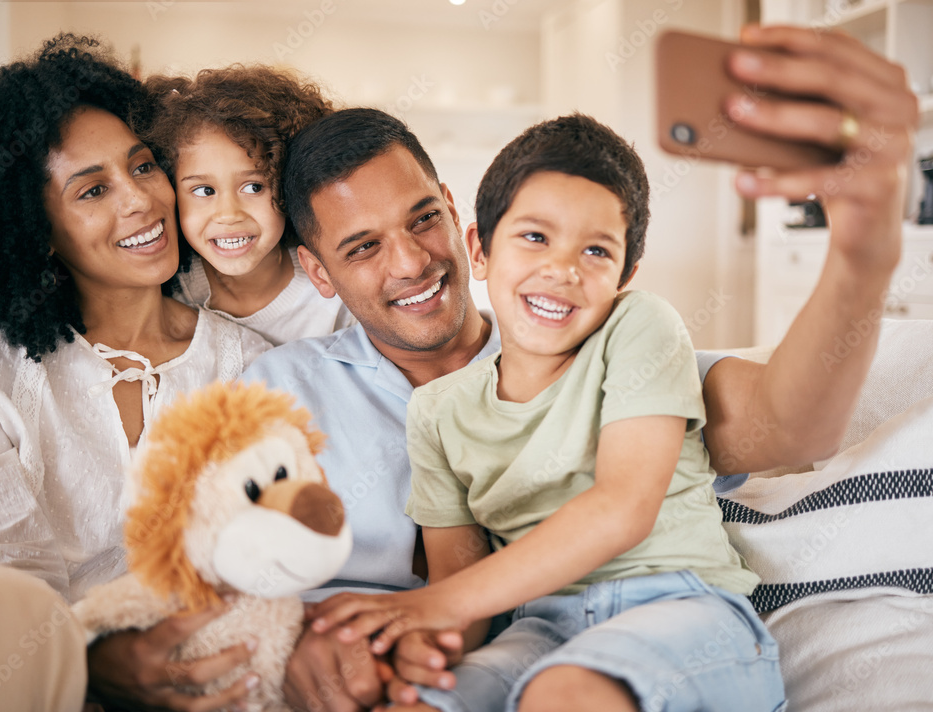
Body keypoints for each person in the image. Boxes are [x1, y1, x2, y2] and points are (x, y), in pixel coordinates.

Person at [238, 25, 917, 712]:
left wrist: (861, 258)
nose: (412, 262)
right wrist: (392, 647)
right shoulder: (284, 395)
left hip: (663, 621)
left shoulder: (610, 329)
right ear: (318, 272)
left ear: (453, 214)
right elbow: (207, 569)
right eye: (363, 248)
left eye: (422, 220)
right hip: (526, 632)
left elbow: (785, 426)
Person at [305, 112, 784, 712]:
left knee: (561, 694)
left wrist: (427, 607)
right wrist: (416, 648)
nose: (561, 270)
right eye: (535, 237)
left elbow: (623, 509)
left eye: (594, 250)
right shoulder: (433, 412)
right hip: (543, 626)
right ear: (485, 248)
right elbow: (459, 582)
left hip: (677, 607)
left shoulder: (635, 327)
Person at [0, 35, 267, 712]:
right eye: (93, 189)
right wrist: (89, 660)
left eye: (143, 168)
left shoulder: (251, 362)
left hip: (214, 668)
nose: (141, 201)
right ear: (33, 225)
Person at [143, 65, 355, 345]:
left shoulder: (335, 296)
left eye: (254, 187)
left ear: (290, 185)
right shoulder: (165, 291)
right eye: (204, 190)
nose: (229, 215)